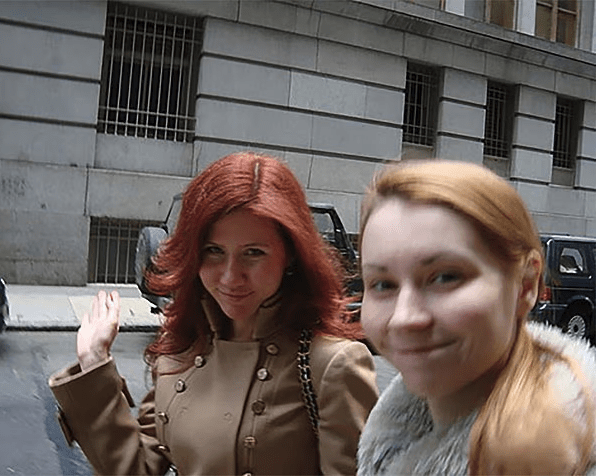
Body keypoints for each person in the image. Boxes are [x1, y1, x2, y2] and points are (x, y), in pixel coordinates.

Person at [49, 151, 379, 475]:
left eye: (254, 252)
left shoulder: (333, 365)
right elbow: (138, 467)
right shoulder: (181, 346)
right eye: (214, 251)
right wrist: (94, 361)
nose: (230, 277)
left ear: (290, 254)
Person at [356, 160, 596, 475]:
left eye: (445, 277)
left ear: (525, 284)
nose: (404, 318)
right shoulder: (391, 434)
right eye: (383, 284)